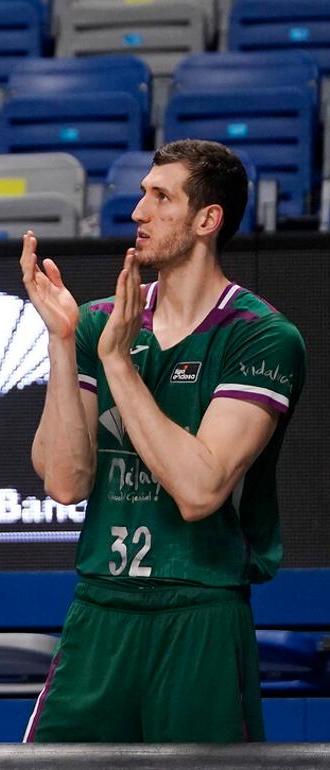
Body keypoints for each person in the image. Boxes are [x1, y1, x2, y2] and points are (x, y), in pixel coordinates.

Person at [21, 139, 307, 742]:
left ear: (208, 220)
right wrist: (62, 341)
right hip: (100, 607)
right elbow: (65, 481)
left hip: (201, 612)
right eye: (142, 195)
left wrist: (119, 366)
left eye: (160, 198)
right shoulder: (98, 321)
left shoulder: (262, 337)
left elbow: (200, 489)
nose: (137, 213)